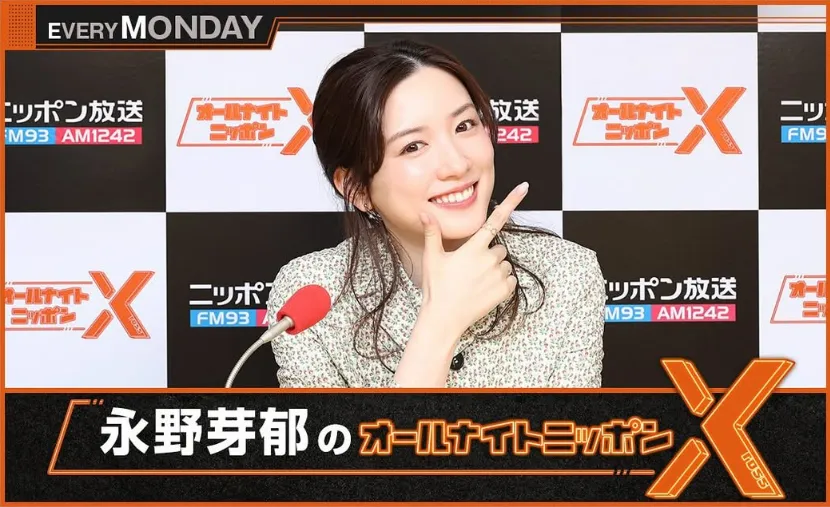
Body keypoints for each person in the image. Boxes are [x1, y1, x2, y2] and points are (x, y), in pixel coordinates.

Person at [265, 39, 607, 388]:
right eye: (413, 146)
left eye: (464, 126)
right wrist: (439, 324)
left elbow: (567, 424)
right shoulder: (313, 294)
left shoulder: (566, 273)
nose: (457, 164)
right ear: (357, 188)